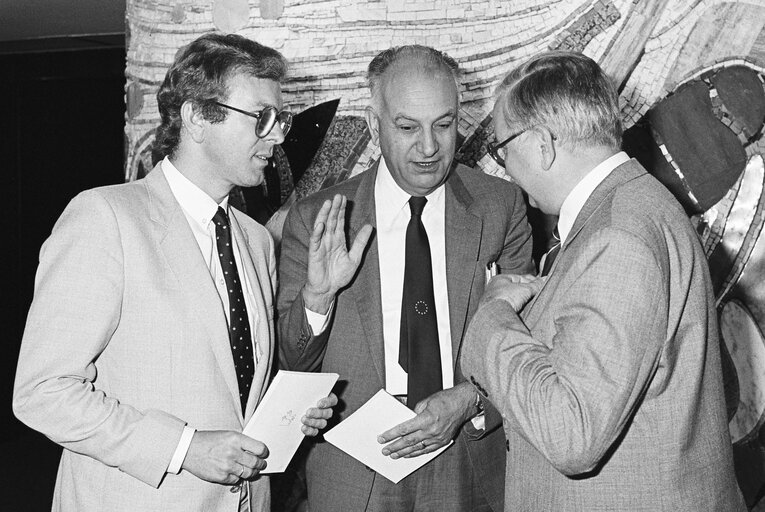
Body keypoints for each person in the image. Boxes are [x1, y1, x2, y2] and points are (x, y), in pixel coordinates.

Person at [13, 33, 337, 512]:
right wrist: (184, 448)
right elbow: (42, 392)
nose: (279, 135)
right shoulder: (105, 218)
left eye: (281, 119)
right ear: (197, 117)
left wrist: (286, 415)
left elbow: (229, 382)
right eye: (263, 118)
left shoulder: (255, 239)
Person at [461, 50, 746, 511]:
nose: (504, 169)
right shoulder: (634, 207)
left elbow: (571, 433)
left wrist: (494, 315)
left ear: (540, 144)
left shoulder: (618, 236)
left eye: (501, 150)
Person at [277, 45, 534, 512]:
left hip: (470, 459)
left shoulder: (502, 207)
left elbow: (528, 342)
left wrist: (473, 399)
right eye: (407, 127)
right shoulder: (318, 218)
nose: (430, 147)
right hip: (355, 468)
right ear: (375, 127)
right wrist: (318, 296)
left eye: (444, 123)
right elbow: (291, 363)